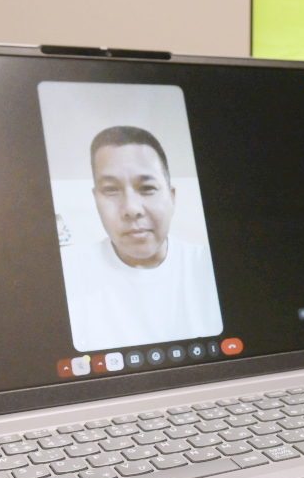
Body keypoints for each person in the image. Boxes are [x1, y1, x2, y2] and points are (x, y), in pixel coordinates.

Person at [61, 126, 223, 352]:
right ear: (96, 199)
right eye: (111, 189)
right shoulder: (68, 275)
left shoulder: (209, 266)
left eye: (147, 188)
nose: (131, 208)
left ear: (172, 198)